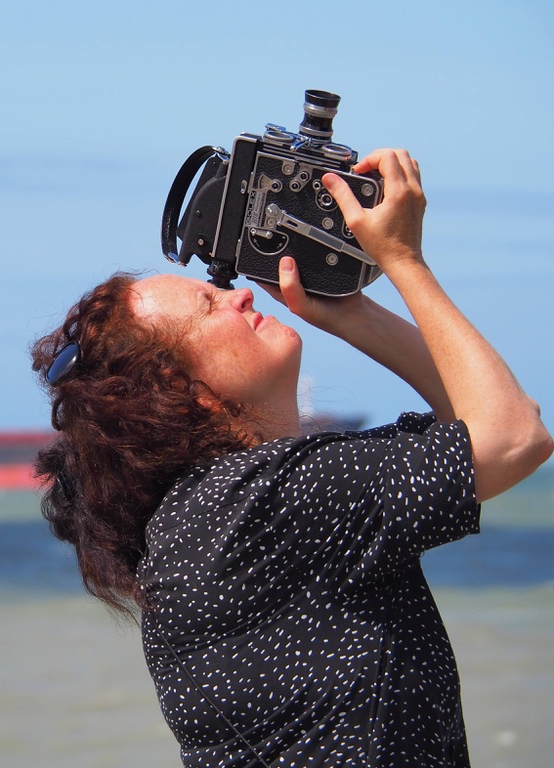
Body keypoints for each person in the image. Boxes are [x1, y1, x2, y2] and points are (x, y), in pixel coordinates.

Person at [30, 148, 552, 767]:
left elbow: (475, 424)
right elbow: (514, 437)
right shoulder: (257, 502)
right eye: (208, 306)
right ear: (184, 393)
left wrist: (352, 309)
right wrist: (403, 260)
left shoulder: (216, 511)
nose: (240, 299)